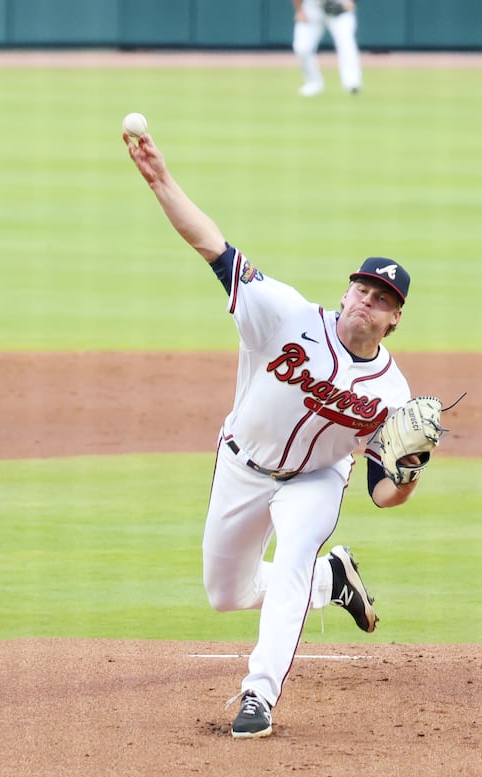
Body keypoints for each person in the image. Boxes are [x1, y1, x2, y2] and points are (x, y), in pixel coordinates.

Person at [124, 128, 430, 740]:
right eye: (362, 289)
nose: (366, 302)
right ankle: (332, 580)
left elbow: (383, 495)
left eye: (381, 300)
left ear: (394, 319)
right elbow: (211, 245)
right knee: (226, 593)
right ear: (347, 291)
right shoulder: (283, 312)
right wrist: (160, 180)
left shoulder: (393, 397)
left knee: (289, 560)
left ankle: (258, 697)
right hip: (241, 464)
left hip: (315, 482)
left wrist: (411, 470)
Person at [292, 0, 362, 97]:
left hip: (339, 4)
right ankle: (313, 83)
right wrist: (299, 10)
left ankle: (352, 82)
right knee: (302, 47)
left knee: (346, 43)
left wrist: (351, 1)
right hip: (313, 6)